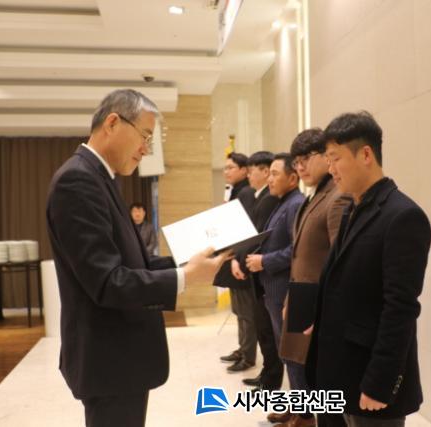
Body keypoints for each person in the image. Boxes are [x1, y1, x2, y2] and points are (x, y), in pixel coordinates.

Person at [46, 89, 229, 427]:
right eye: (144, 136)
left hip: (119, 359)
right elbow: (108, 282)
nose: (146, 148)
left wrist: (187, 263)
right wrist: (186, 276)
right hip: (109, 360)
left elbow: (133, 264)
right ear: (112, 123)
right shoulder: (78, 180)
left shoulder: (99, 177)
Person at [305, 111, 431, 427]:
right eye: (328, 160)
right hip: (337, 370)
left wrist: (380, 382)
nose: (331, 169)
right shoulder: (352, 208)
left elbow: (400, 308)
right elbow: (344, 280)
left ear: (365, 155)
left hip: (369, 380)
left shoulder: (403, 216)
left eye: (335, 158)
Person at [277, 129, 352, 427]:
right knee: (300, 367)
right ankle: (303, 413)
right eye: (296, 162)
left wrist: (325, 313)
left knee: (323, 381)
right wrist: (290, 297)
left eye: (306, 158)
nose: (300, 167)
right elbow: (300, 257)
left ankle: (307, 417)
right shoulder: (314, 196)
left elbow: (340, 263)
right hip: (302, 299)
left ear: (326, 156)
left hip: (319, 305)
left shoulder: (337, 196)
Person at [245, 153, 304, 424]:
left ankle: (304, 414)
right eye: (268, 173)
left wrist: (264, 261)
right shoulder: (283, 203)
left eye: (275, 174)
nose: (269, 179)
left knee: (293, 354)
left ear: (293, 178)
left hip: (285, 292)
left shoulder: (295, 204)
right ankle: (295, 407)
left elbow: (296, 250)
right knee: (286, 353)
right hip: (273, 290)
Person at [231, 151, 284, 392]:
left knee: (269, 331)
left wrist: (240, 261)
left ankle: (271, 379)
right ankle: (267, 374)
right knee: (263, 329)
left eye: (253, 171)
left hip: (267, 270)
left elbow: (257, 236)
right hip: (258, 268)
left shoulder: (270, 199)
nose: (250, 176)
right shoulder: (261, 196)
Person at [215, 152, 258, 372]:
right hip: (233, 256)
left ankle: (248, 356)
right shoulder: (235, 191)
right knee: (239, 310)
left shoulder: (246, 192)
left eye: (231, 167)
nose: (226, 171)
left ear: (244, 170)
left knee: (246, 311)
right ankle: (242, 349)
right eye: (225, 168)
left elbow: (245, 229)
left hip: (239, 259)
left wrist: (237, 259)